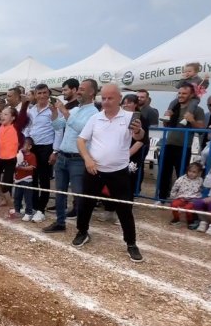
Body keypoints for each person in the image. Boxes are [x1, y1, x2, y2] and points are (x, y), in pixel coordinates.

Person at [72, 84, 147, 262]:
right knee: (85, 204)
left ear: (119, 98)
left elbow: (139, 137)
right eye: (103, 98)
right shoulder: (95, 118)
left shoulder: (129, 117)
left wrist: (138, 130)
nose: (106, 101)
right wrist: (87, 159)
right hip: (94, 169)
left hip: (119, 171)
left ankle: (131, 243)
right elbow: (81, 140)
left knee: (124, 209)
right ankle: (82, 232)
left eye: (110, 98)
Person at [45, 79, 97, 232]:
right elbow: (57, 125)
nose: (78, 92)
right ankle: (60, 223)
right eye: (79, 89)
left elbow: (82, 129)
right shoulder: (74, 110)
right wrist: (54, 112)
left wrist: (64, 111)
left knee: (79, 195)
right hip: (63, 157)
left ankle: (82, 229)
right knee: (60, 193)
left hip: (78, 160)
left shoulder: (94, 113)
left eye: (82, 89)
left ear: (91, 92)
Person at [157, 83, 205, 202]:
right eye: (179, 93)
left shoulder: (198, 110)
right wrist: (167, 117)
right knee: (163, 173)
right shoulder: (174, 107)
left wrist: (192, 120)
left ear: (192, 95)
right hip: (168, 144)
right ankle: (162, 198)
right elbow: (166, 126)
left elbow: (201, 130)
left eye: (184, 93)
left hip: (184, 147)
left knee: (182, 174)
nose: (180, 95)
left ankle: (181, 199)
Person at [19, 83, 58, 222]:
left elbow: (58, 131)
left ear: (48, 94)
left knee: (44, 179)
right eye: (39, 93)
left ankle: (41, 209)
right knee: (32, 178)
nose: (42, 96)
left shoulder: (53, 110)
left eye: (44, 93)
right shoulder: (32, 110)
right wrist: (26, 142)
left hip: (46, 147)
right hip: (33, 148)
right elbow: (27, 128)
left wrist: (55, 151)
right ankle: (34, 206)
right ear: (35, 95)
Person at [168, 161, 204, 226]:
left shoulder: (200, 180)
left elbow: (203, 189)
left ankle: (190, 220)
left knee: (188, 208)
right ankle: (176, 219)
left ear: (198, 173)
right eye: (190, 171)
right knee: (174, 205)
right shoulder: (181, 179)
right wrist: (173, 197)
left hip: (193, 200)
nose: (191, 173)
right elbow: (174, 188)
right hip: (182, 198)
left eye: (194, 172)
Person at [12, 136, 37, 221]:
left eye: (24, 145)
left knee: (28, 197)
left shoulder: (32, 156)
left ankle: (28, 213)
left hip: (27, 179)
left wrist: (21, 168)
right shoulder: (18, 154)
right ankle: (17, 210)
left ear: (29, 147)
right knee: (17, 196)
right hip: (18, 179)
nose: (22, 146)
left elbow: (31, 167)